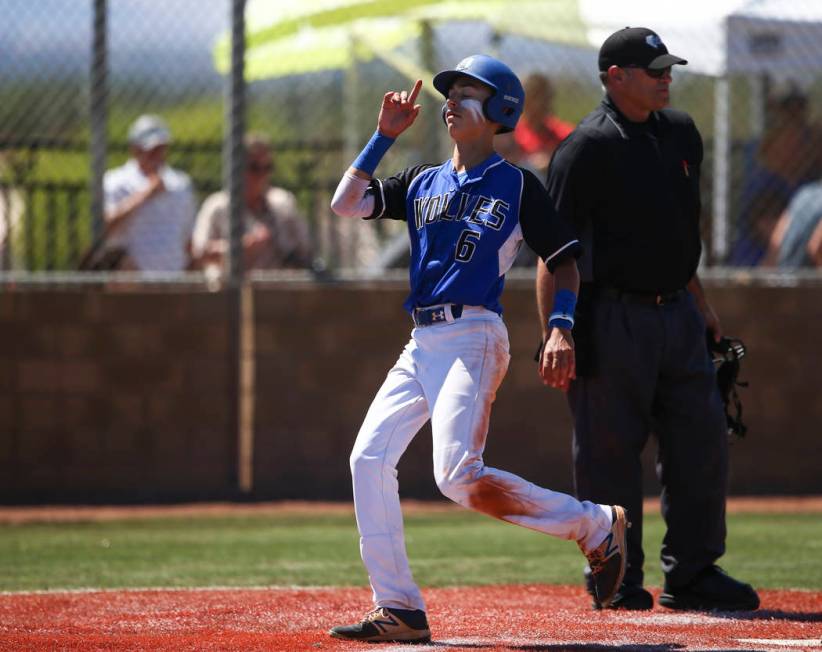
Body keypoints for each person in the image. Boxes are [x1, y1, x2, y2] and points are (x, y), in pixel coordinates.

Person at [327, 54, 628, 644]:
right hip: (422, 341)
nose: (453, 101)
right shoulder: (420, 182)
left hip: (473, 336)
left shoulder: (515, 183)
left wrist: (561, 327)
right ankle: (400, 608)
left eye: (468, 93)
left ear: (500, 112)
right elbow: (346, 204)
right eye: (452, 92)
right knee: (366, 460)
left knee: (456, 476)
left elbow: (564, 262)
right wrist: (383, 137)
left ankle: (594, 525)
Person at [538, 27, 760, 613]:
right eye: (653, 68)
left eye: (668, 68)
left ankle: (692, 573)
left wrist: (704, 305)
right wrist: (556, 332)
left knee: (701, 443)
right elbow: (552, 254)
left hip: (678, 314)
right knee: (609, 453)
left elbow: (679, 238)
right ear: (615, 77)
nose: (666, 77)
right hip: (611, 317)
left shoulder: (681, 133)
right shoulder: (585, 147)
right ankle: (616, 576)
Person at [190, 133, 313, 278]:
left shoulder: (282, 203)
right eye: (254, 168)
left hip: (276, 292)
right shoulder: (218, 206)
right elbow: (198, 252)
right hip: (228, 292)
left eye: (267, 167)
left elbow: (305, 249)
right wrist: (241, 247)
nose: (262, 175)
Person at [729, 87, 822, 266]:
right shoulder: (765, 186)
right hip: (758, 271)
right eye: (788, 141)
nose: (798, 146)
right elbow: (781, 242)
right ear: (773, 146)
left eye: (801, 139)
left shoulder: (807, 183)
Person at [101, 114, 196, 272]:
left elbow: (189, 237)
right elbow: (105, 226)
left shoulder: (181, 183)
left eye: (161, 148)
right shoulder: (115, 181)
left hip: (173, 278)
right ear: (135, 149)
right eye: (150, 149)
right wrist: (145, 194)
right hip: (131, 280)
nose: (157, 155)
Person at [513, 72, 575, 178]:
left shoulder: (564, 133)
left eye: (546, 97)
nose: (544, 103)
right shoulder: (510, 133)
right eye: (535, 97)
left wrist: (553, 162)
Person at [765, 180, 822, 268]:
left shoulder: (805, 193)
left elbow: (777, 241)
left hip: (784, 273)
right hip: (808, 275)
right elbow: (816, 247)